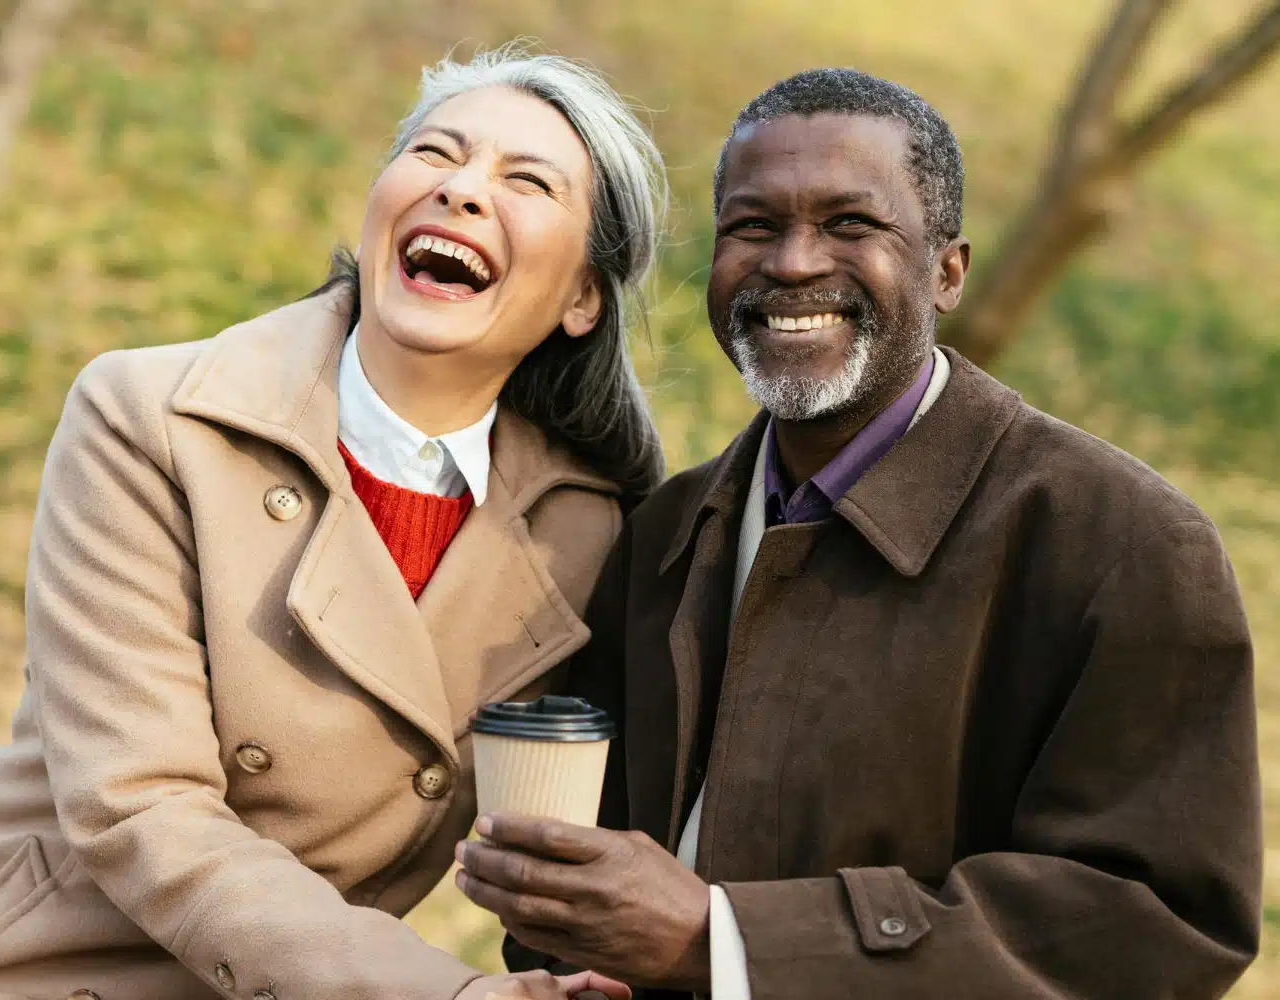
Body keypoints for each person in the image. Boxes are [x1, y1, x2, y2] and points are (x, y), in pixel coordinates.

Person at [0, 46, 667, 1000]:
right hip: (0, 979)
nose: (461, 191)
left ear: (584, 295)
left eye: (526, 181)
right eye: (433, 153)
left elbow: (567, 835)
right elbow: (142, 808)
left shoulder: (586, 532)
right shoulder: (150, 417)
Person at [456, 68, 1261, 999]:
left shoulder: (1125, 545)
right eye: (752, 226)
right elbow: (592, 894)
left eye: (851, 224)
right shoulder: (664, 533)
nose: (793, 263)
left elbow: (1156, 923)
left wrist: (728, 942)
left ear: (947, 271)